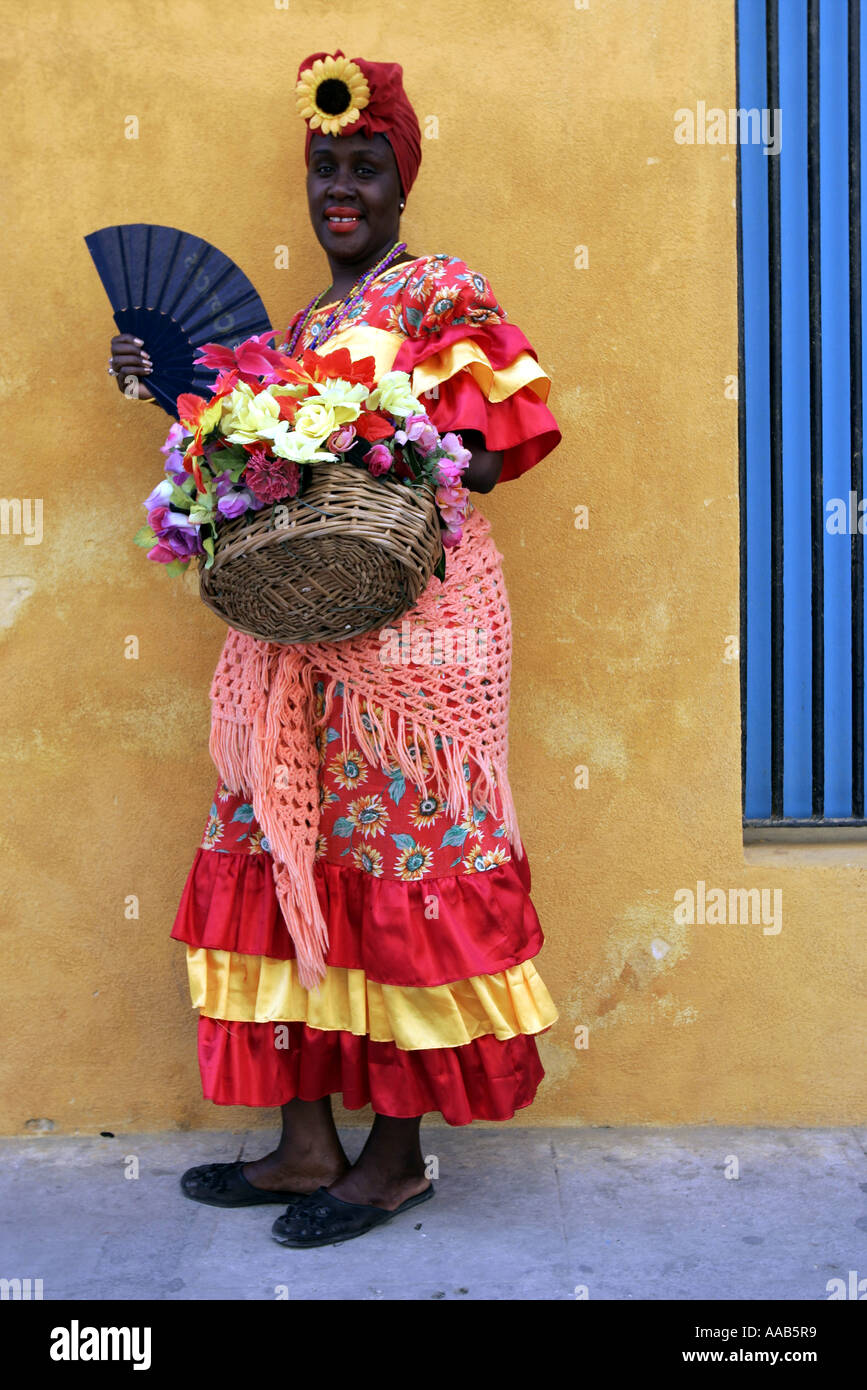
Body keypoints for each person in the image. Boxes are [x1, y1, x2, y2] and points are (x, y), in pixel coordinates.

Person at [107, 49, 562, 1249]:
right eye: (326, 168)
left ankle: (396, 1160)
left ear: (402, 187)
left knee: (399, 874)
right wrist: (176, 398)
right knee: (283, 855)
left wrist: (387, 453)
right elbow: (267, 476)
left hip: (417, 647)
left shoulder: (439, 294)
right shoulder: (306, 323)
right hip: (296, 644)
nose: (342, 187)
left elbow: (495, 446)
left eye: (365, 166)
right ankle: (307, 1141)